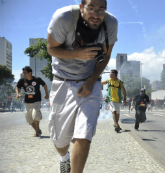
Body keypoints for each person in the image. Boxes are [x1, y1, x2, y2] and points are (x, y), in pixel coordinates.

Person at [47, 0, 118, 172]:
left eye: (101, 9)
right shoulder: (64, 18)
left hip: (89, 81)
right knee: (60, 141)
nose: (96, 14)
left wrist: (92, 79)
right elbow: (51, 49)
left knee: (84, 133)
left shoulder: (111, 23)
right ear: (81, 7)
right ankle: (64, 158)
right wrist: (77, 54)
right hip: (62, 80)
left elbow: (107, 55)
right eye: (91, 8)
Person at [16, 66, 49, 137]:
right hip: (27, 102)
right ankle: (37, 130)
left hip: (36, 101)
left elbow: (44, 85)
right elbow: (17, 86)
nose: (23, 74)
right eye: (23, 73)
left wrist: (46, 93)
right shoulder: (22, 80)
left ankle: (37, 130)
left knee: (35, 115)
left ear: (30, 73)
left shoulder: (37, 79)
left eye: (25, 73)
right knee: (29, 119)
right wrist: (17, 93)